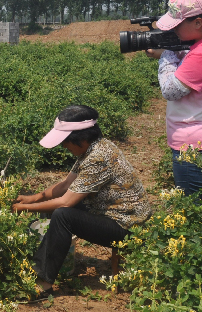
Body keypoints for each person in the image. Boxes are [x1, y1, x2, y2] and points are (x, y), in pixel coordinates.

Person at [12, 105, 151, 294]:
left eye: (66, 142)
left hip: (127, 226)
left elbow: (65, 202)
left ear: (82, 139)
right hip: (110, 213)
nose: (64, 147)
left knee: (62, 215)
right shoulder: (93, 148)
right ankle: (46, 263)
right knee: (49, 207)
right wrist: (33, 199)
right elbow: (65, 186)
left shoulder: (98, 157)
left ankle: (43, 283)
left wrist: (24, 208)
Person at [146, 0, 202, 195]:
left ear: (198, 22)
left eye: (178, 23)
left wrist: (167, 55)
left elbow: (170, 90)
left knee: (192, 206)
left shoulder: (199, 54)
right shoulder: (196, 49)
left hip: (192, 147)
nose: (174, 29)